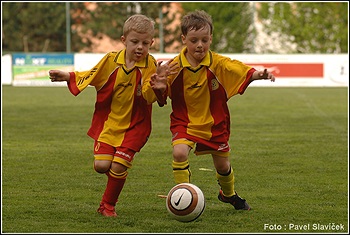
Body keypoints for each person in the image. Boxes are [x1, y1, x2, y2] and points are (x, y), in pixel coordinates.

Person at [49, 14, 177, 217]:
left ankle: (107, 206)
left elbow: (148, 95)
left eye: (145, 43)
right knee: (101, 166)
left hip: (136, 126)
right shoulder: (110, 60)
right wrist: (69, 76)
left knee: (118, 165)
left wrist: (159, 86)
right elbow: (92, 74)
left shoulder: (150, 65)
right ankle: (116, 175)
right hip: (109, 124)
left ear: (152, 43)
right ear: (124, 40)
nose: (139, 47)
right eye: (135, 42)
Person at [165, 10, 276, 211]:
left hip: (215, 123)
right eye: (194, 40)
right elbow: (160, 94)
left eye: (204, 40)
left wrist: (259, 74)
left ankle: (228, 195)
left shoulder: (218, 63)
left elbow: (239, 69)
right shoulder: (173, 67)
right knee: (179, 152)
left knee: (223, 167)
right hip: (184, 121)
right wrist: (157, 83)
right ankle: (183, 195)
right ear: (183, 39)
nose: (200, 45)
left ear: (211, 39)